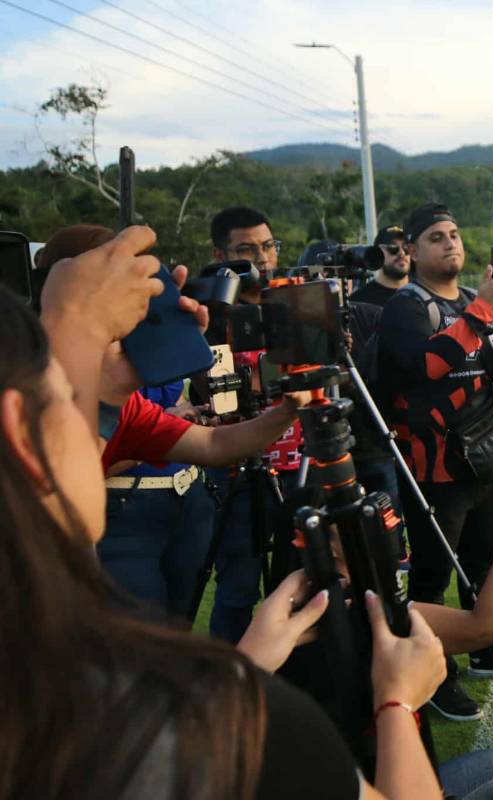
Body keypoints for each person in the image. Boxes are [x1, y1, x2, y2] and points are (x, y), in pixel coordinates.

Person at [3, 233, 448, 799]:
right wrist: (397, 699)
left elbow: (211, 446)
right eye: (68, 401)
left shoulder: (44, 684)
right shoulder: (195, 729)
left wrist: (245, 664)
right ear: (24, 437)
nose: (93, 437)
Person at [34, 223, 311, 620]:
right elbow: (51, 494)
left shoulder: (127, 396)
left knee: (172, 634)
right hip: (123, 521)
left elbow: (213, 446)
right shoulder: (27, 387)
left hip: (183, 507)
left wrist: (285, 411)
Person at [375, 202, 493, 721]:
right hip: (435, 465)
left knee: (485, 560)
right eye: (435, 237)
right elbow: (426, 366)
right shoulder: (407, 306)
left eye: (454, 234)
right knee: (429, 575)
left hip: (487, 457)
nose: (450, 243)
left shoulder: (474, 300)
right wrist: (482, 312)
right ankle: (434, 670)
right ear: (413, 251)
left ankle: (486, 647)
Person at [206, 205, 306, 643]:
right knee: (237, 591)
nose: (262, 258)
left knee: (297, 589)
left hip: (299, 468)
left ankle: (292, 682)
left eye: (268, 246)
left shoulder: (297, 301)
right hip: (235, 471)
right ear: (220, 253)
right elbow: (209, 397)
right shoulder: (211, 314)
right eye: (246, 249)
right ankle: (232, 685)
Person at [351, 224, 411, 306]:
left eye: (406, 247)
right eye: (393, 247)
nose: (402, 253)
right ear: (377, 253)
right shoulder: (359, 302)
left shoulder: (423, 294)